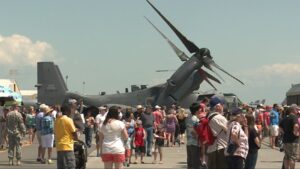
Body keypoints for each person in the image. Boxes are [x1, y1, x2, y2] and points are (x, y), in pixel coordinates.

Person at [206, 96, 228, 169]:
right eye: (222, 105)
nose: (223, 106)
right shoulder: (220, 118)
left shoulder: (209, 116)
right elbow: (229, 132)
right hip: (220, 148)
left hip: (211, 148)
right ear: (218, 106)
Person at [55, 105, 78, 169]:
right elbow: (74, 132)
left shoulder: (57, 120)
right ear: (67, 111)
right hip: (67, 146)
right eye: (70, 111)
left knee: (61, 166)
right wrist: (77, 139)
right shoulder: (68, 120)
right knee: (70, 165)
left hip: (59, 146)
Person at [185, 103, 200, 169]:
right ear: (197, 111)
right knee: (195, 163)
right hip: (195, 143)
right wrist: (198, 138)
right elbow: (193, 131)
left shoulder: (188, 118)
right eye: (200, 109)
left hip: (189, 142)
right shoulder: (195, 119)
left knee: (190, 162)